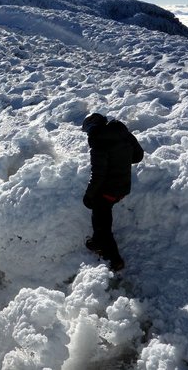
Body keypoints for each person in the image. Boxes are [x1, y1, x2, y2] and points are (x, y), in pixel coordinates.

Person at [81, 113, 144, 271]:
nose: (88, 135)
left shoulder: (98, 144)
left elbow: (98, 175)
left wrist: (88, 196)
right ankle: (96, 241)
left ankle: (115, 260)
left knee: (102, 224)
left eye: (88, 131)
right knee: (101, 218)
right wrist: (120, 159)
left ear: (94, 129)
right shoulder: (123, 134)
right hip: (123, 187)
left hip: (107, 191)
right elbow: (138, 156)